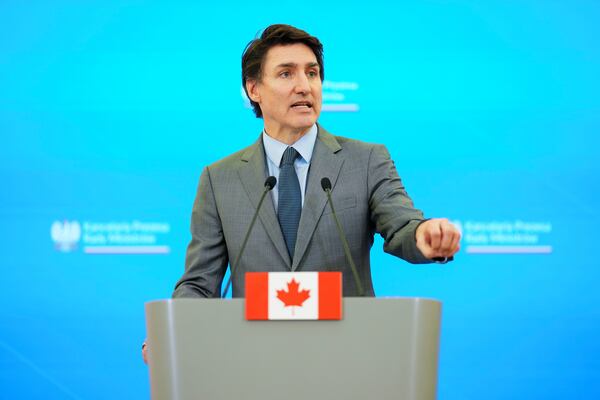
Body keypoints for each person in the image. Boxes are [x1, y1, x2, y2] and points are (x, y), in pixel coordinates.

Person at [142, 23, 460, 362]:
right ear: (254, 89)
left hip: (347, 360)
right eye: (285, 74)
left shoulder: (366, 161)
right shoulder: (220, 179)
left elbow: (403, 227)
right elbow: (199, 284)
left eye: (312, 73)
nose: (304, 86)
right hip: (252, 363)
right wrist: (170, 333)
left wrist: (426, 234)